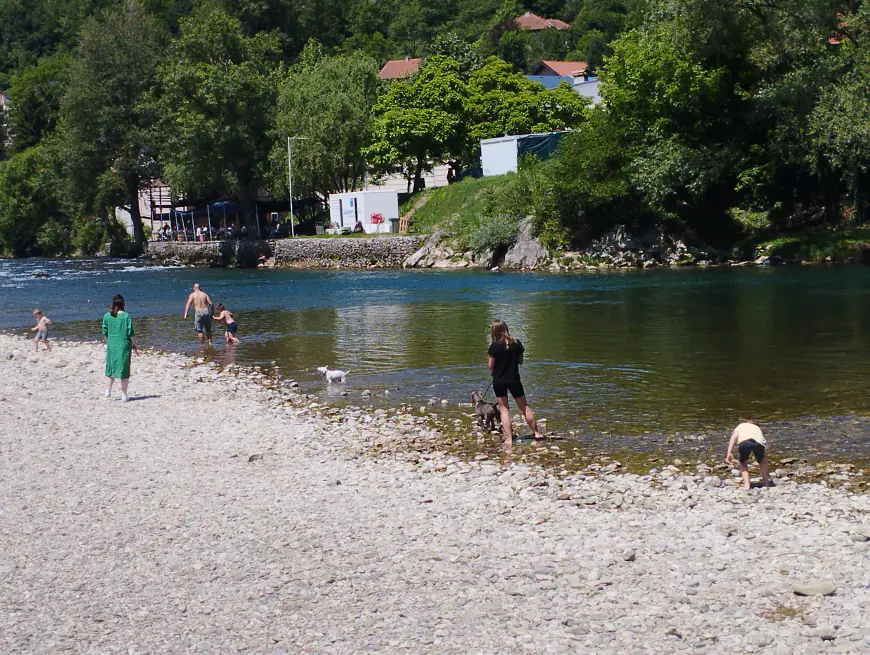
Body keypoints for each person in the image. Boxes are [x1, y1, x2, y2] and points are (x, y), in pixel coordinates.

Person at [487, 320, 544, 442]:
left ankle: (508, 438)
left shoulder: (494, 346)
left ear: (493, 331)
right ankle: (537, 433)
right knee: (524, 407)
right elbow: (520, 361)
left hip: (499, 380)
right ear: (506, 328)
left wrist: (494, 373)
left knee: (504, 409)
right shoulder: (516, 343)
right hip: (514, 379)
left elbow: (491, 366)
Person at [102, 294, 139, 401]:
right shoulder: (126, 316)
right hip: (123, 345)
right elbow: (130, 332)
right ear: (123, 304)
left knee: (110, 368)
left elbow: (105, 331)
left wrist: (108, 342)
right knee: (124, 369)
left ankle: (108, 391)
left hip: (111, 345)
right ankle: (124, 395)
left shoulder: (107, 316)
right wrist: (134, 344)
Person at [725, 421, 771, 489]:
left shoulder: (741, 425)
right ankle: (766, 482)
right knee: (762, 461)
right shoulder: (757, 428)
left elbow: (733, 437)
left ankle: (747, 484)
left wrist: (729, 452)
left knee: (743, 462)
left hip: (745, 441)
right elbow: (763, 442)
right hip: (759, 442)